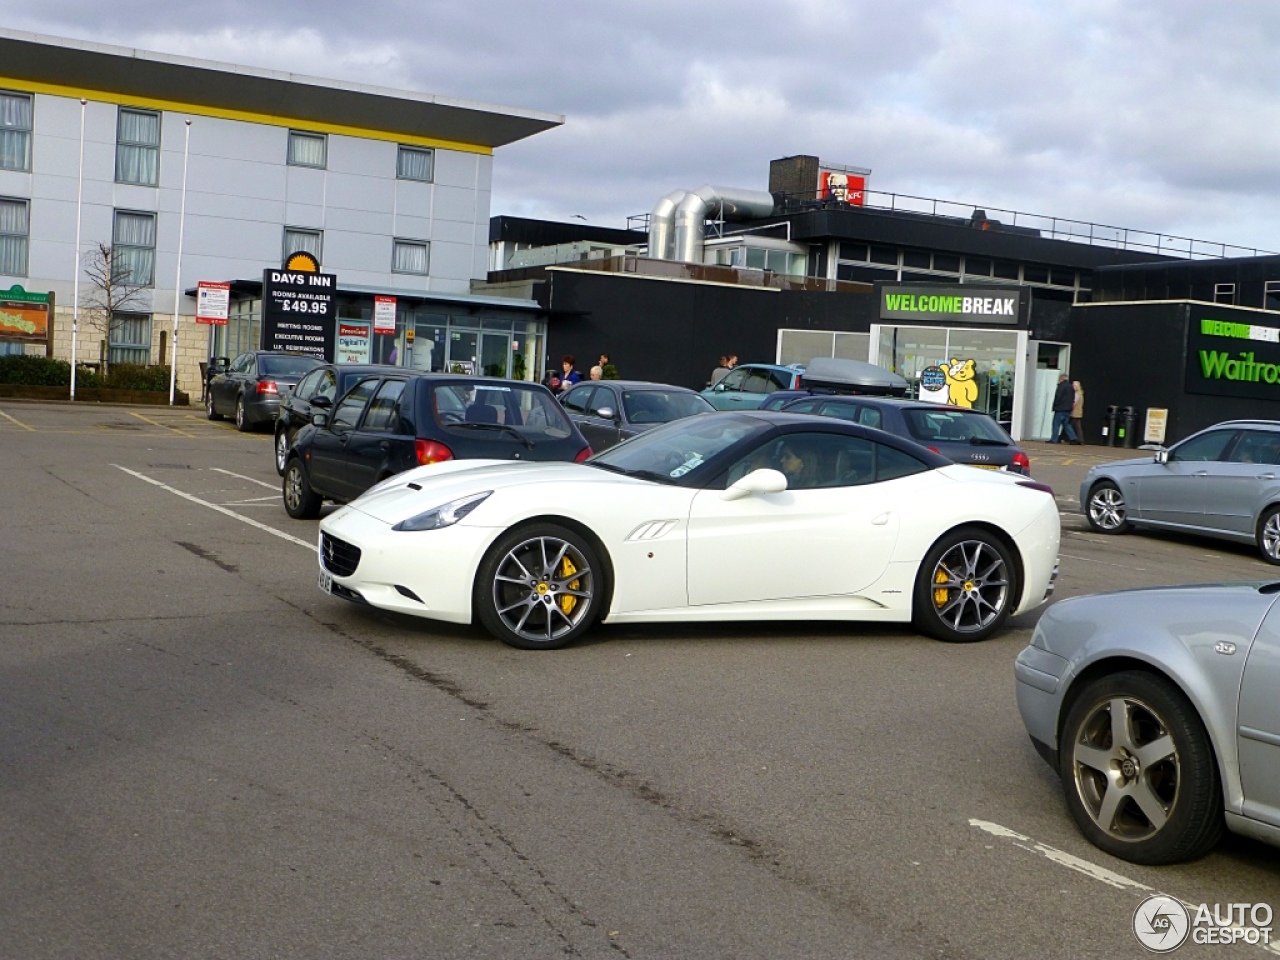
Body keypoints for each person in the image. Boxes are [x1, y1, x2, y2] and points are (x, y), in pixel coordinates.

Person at [1051, 374, 1078, 444]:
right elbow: (1072, 398)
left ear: (1061, 379)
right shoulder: (1071, 387)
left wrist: (1055, 405)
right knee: (1066, 424)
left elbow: (1058, 396)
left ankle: (1054, 439)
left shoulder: (1061, 386)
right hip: (1068, 409)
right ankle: (1073, 438)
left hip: (1060, 408)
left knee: (1056, 424)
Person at [1070, 380, 1085, 445]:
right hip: (1079, 412)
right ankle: (1081, 440)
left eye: (1074, 385)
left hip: (1075, 413)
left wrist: (1070, 409)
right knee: (1078, 427)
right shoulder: (1081, 394)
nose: (1073, 386)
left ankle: (1073, 439)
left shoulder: (1076, 394)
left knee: (1070, 426)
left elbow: (1074, 403)